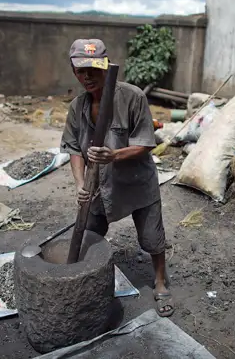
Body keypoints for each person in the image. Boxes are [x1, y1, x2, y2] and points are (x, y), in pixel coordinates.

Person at [60, 38, 174, 317]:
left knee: (151, 238)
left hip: (137, 183)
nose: (87, 76)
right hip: (99, 186)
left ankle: (160, 281)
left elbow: (146, 143)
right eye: (81, 71)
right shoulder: (77, 107)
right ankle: (84, 279)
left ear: (106, 67)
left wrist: (114, 155)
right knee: (89, 233)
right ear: (74, 71)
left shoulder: (133, 97)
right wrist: (79, 184)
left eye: (94, 70)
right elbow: (74, 148)